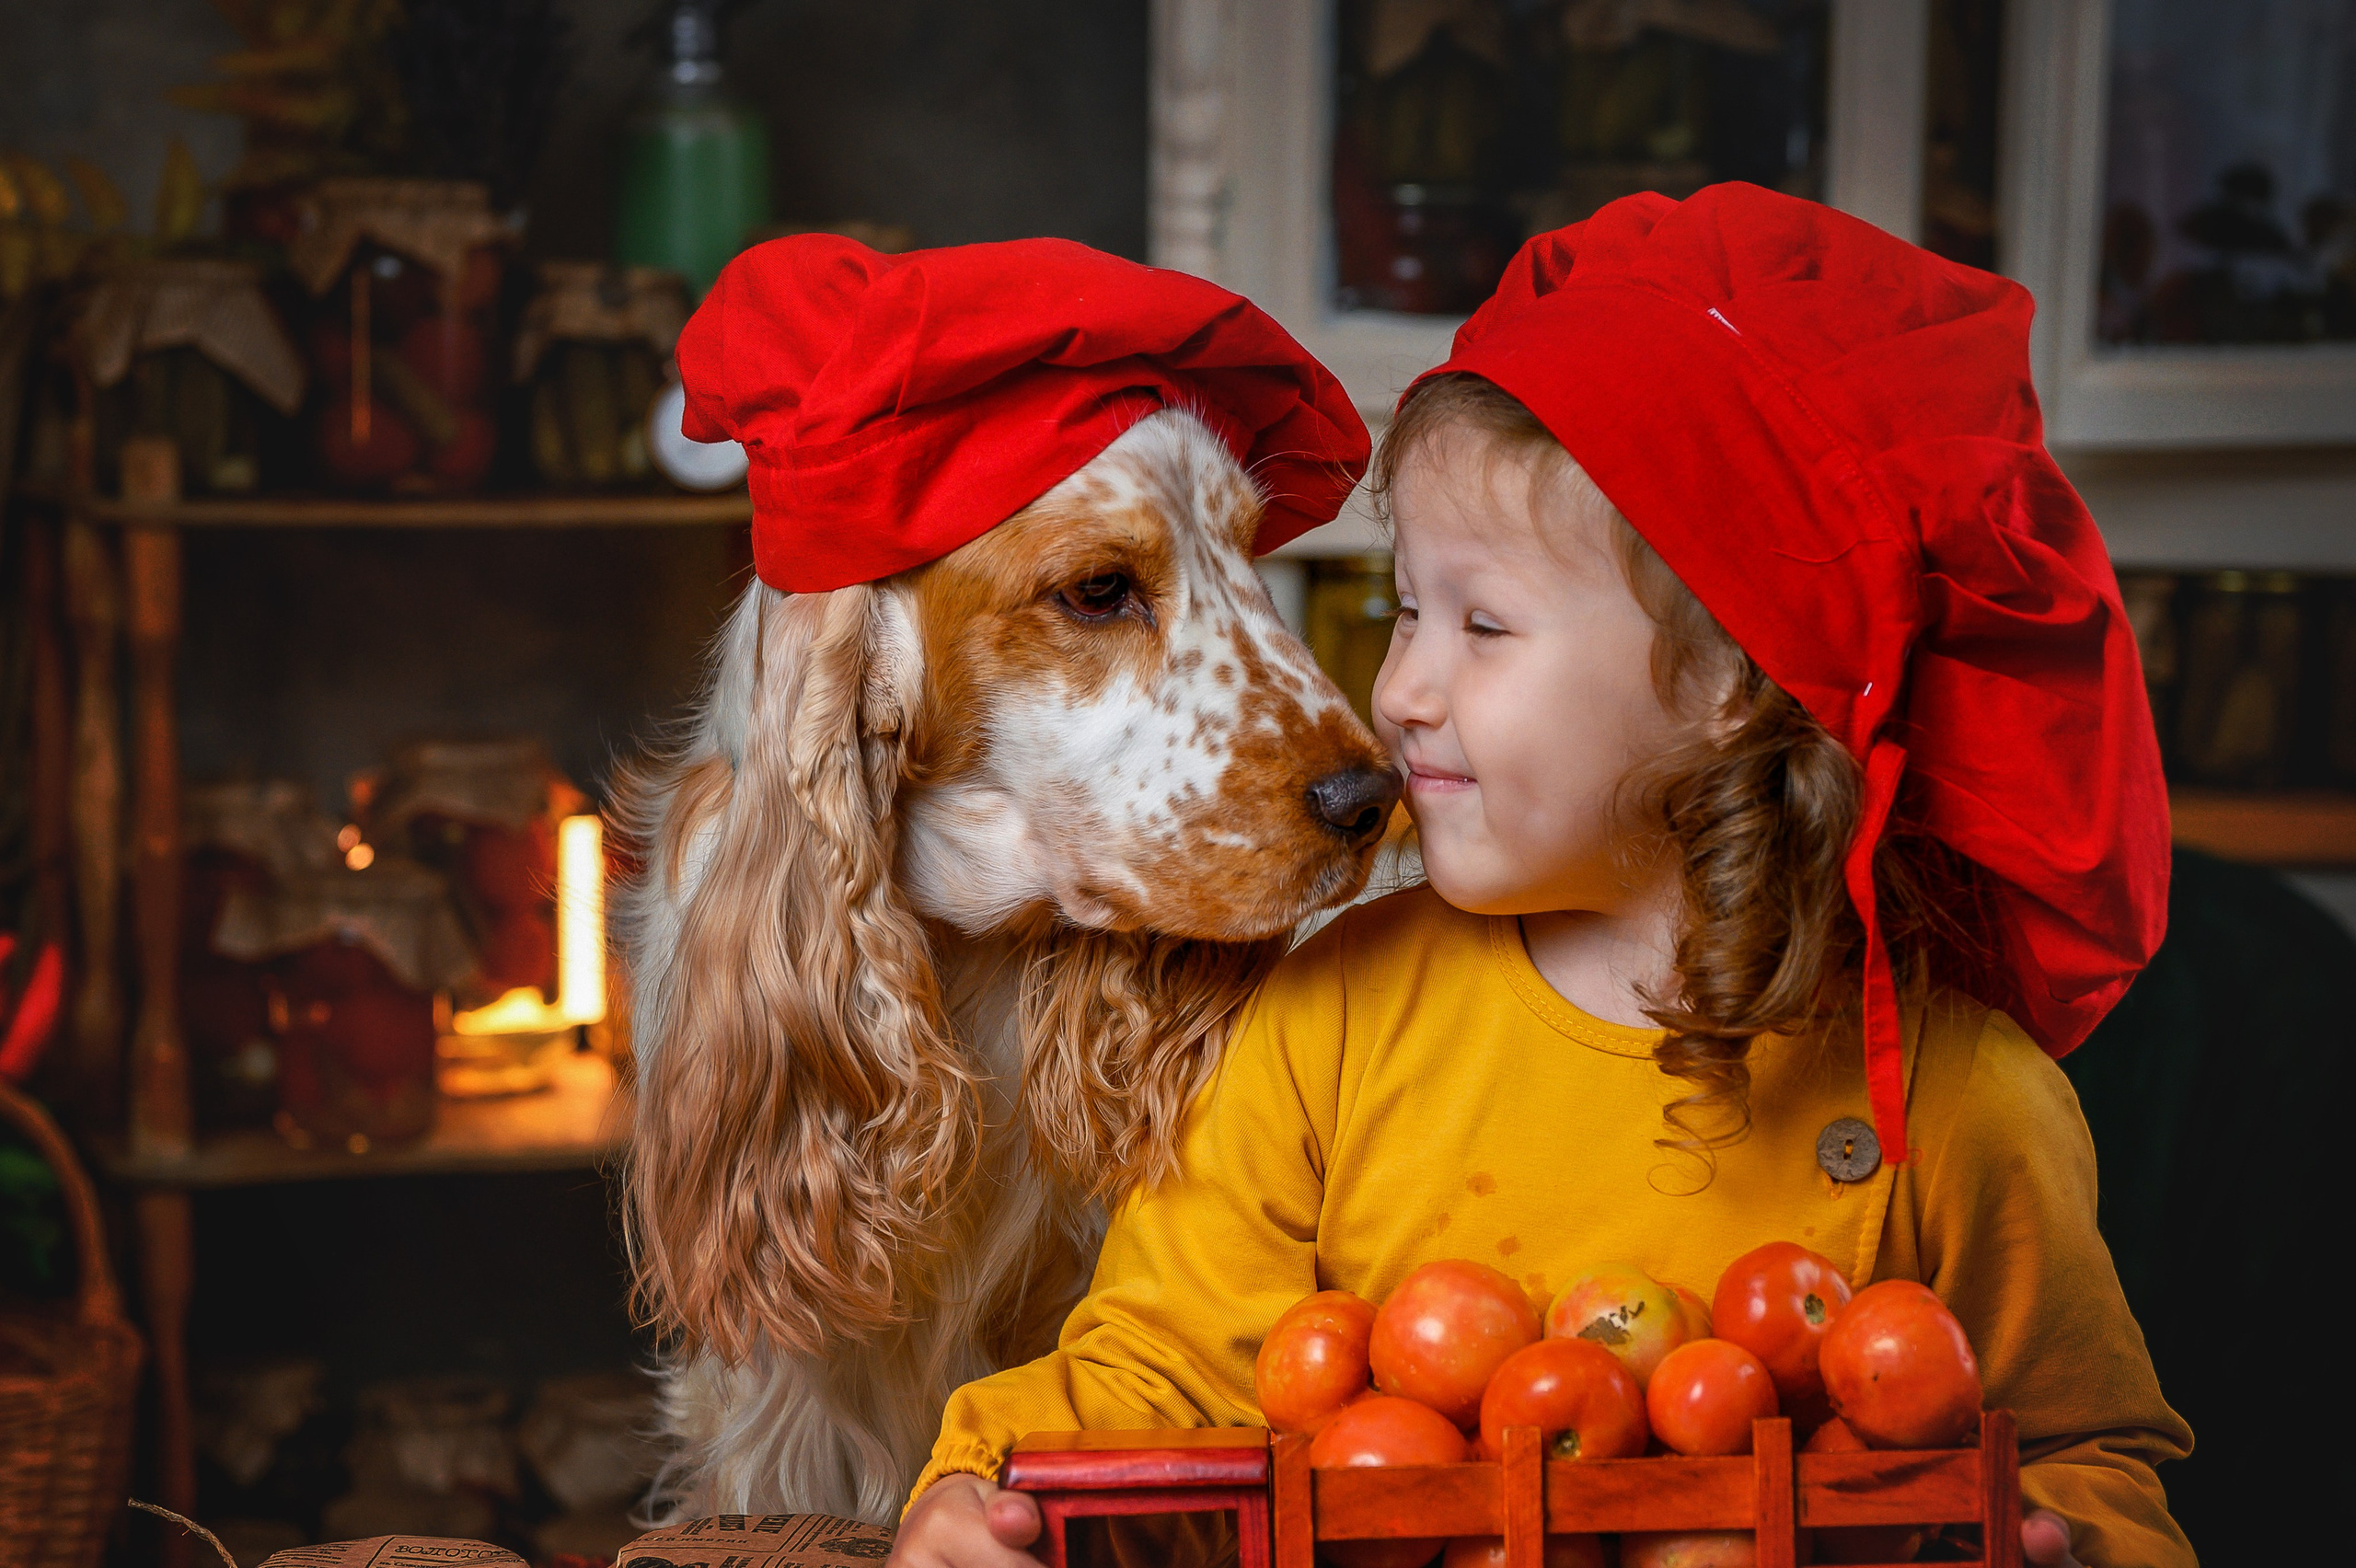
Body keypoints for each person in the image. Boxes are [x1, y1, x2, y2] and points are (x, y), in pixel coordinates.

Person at [886, 184, 2194, 1568]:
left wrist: (2071, 1546)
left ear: (1735, 684)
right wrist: (982, 1489)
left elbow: (2086, 1455)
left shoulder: (1958, 1098)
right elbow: (1158, 1378)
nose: (1397, 692)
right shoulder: (1320, 1023)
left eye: (1483, 624)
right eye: (1405, 608)